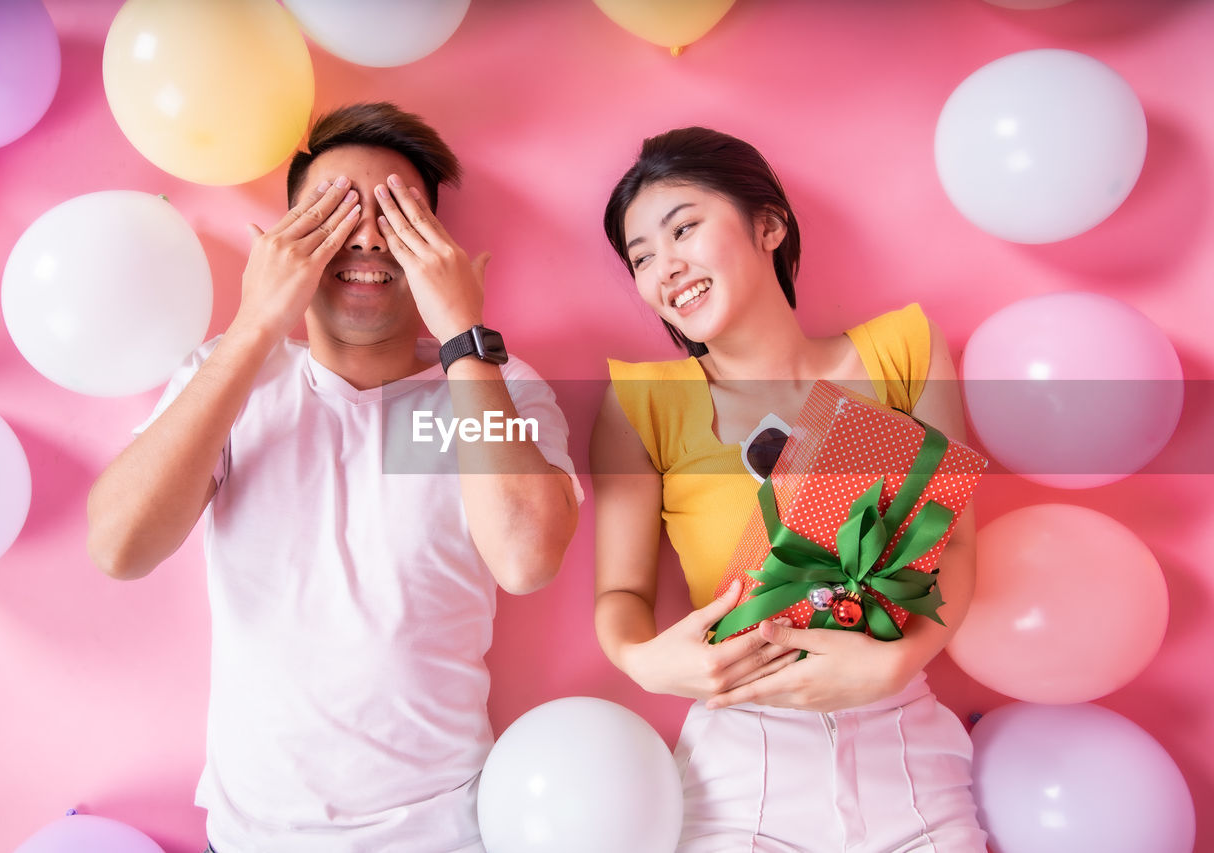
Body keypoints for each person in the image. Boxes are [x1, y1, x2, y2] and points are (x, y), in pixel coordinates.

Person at [87, 102, 581, 852]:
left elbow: (526, 557)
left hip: (442, 831)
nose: (368, 236)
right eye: (334, 211)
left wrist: (463, 338)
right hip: (253, 832)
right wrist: (256, 325)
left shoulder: (493, 385)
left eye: (397, 214)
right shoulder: (227, 378)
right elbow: (120, 545)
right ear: (281, 239)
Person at [591, 127, 987, 851]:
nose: (665, 266)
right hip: (743, 769)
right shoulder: (640, 400)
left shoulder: (905, 350)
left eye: (684, 228)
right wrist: (641, 660)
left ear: (768, 224)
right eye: (641, 257)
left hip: (910, 760)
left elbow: (954, 541)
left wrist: (899, 661)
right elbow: (620, 596)